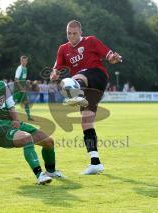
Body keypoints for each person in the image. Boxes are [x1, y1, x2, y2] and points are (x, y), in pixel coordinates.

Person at [0, 63, 64, 185]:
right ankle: (40, 175)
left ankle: (51, 171)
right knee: (27, 138)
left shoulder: (1, 85)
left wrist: (16, 121)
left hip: (13, 124)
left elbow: (11, 105)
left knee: (49, 141)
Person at [50, 20, 122, 175]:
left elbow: (109, 55)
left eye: (74, 33)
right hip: (86, 88)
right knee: (86, 121)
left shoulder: (91, 41)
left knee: (74, 79)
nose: (71, 36)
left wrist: (114, 58)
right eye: (69, 33)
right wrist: (54, 73)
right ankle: (95, 161)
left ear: (80, 32)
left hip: (97, 76)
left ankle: (76, 95)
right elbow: (56, 68)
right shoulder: (63, 49)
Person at [14, 55, 34, 121]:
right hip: (17, 89)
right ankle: (5, 116)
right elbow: (16, 79)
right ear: (21, 61)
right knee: (12, 103)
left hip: (23, 89)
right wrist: (21, 88)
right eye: (23, 61)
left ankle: (29, 117)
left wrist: (26, 81)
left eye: (26, 61)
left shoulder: (25, 68)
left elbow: (22, 79)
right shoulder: (19, 68)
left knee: (26, 102)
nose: (24, 62)